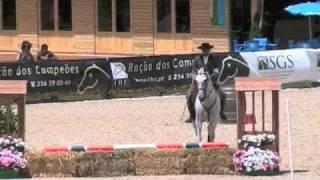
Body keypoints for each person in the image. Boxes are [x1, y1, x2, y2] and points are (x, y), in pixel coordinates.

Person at [185, 42, 227, 123]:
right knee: (188, 95)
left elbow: (216, 71)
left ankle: (221, 113)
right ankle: (192, 115)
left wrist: (209, 77)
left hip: (211, 82)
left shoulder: (214, 59)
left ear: (209, 50)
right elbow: (193, 70)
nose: (205, 51)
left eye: (206, 49)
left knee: (223, 94)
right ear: (202, 50)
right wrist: (194, 76)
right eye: (203, 49)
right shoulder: (197, 59)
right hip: (199, 82)